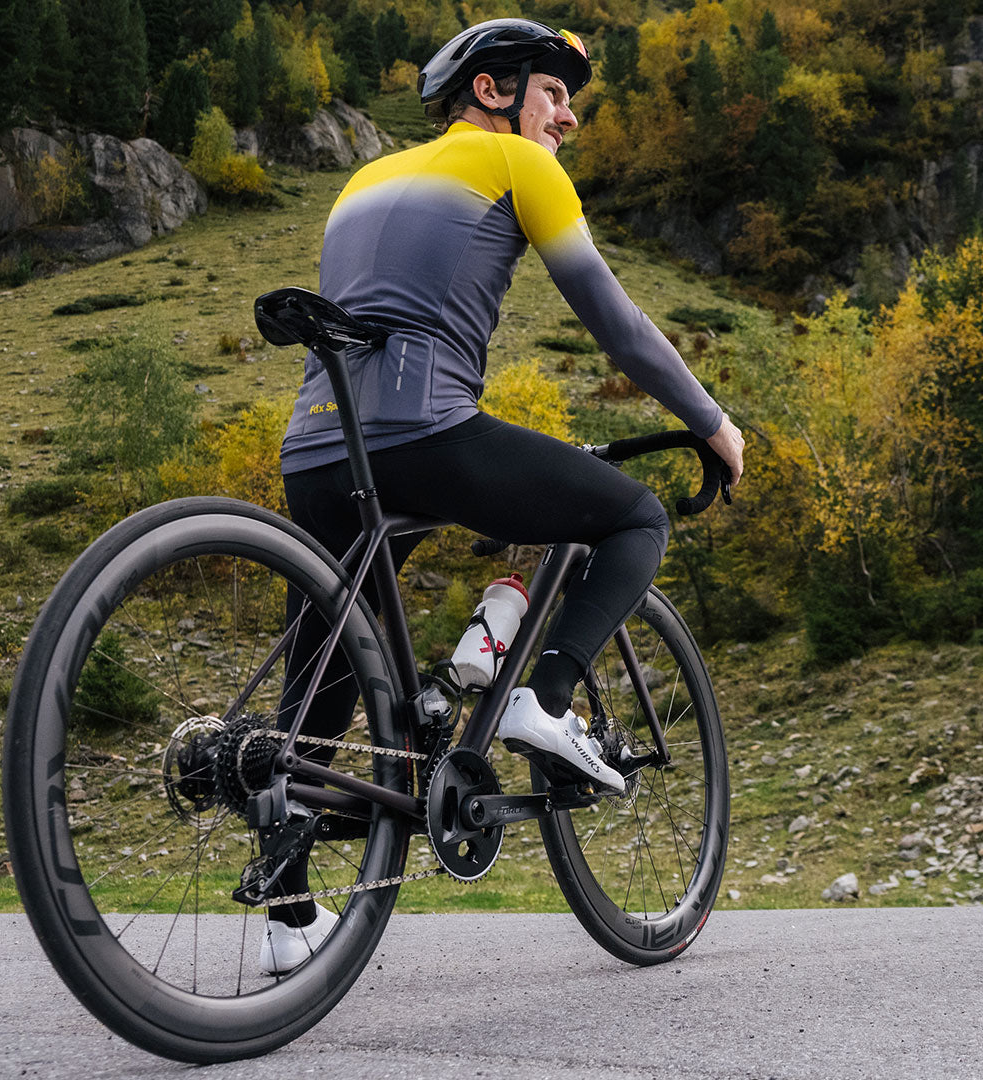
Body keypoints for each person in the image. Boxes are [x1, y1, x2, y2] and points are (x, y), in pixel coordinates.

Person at [261, 18, 745, 972]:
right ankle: (546, 701)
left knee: (322, 675)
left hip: (316, 449)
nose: (569, 116)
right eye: (553, 93)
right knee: (636, 515)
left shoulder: (360, 184)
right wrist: (713, 423)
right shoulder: (517, 164)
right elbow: (618, 325)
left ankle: (286, 916)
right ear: (492, 90)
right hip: (427, 435)